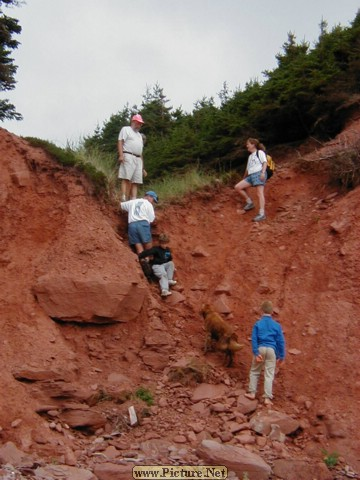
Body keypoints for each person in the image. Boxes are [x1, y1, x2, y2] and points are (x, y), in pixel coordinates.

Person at [244, 300, 285, 405]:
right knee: (269, 374)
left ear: (262, 310)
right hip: (272, 350)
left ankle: (252, 392)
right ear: (272, 312)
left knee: (255, 371)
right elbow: (280, 341)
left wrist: (256, 353)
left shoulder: (258, 324)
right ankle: (267, 398)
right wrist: (281, 355)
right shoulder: (277, 325)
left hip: (261, 348)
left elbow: (254, 339)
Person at [234, 137, 268, 222]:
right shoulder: (250, 157)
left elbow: (265, 162)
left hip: (259, 173)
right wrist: (244, 178)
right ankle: (250, 202)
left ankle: (262, 213)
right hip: (251, 176)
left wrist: (263, 172)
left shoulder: (259, 152)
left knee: (259, 193)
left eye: (248, 144)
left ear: (253, 144)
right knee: (237, 187)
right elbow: (247, 169)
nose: (247, 146)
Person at [118, 114, 147, 202]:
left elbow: (140, 152)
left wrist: (143, 168)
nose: (139, 125)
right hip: (128, 155)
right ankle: (123, 197)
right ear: (133, 121)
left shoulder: (139, 136)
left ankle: (133, 200)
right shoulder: (126, 129)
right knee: (126, 177)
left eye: (140, 123)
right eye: (138, 123)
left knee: (136, 181)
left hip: (138, 158)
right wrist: (121, 155)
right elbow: (120, 142)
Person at [138, 233, 177, 297]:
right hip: (157, 266)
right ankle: (164, 290)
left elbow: (169, 259)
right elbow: (147, 252)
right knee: (163, 274)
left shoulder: (167, 250)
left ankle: (169, 280)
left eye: (165, 243)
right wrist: (140, 256)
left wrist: (173, 268)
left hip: (163, 265)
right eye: (163, 243)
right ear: (160, 243)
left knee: (171, 263)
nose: (164, 245)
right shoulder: (156, 249)